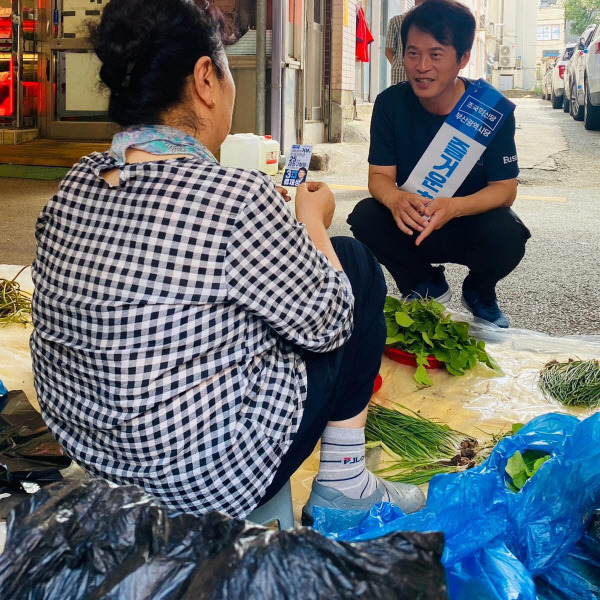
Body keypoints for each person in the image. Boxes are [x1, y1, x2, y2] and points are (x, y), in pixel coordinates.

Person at [30, 0, 424, 522]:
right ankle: (345, 482)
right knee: (352, 265)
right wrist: (310, 221)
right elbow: (331, 323)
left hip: (96, 459)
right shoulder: (234, 197)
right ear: (205, 80)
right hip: (206, 480)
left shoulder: (76, 183)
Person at [349, 0, 530, 328]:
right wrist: (395, 198)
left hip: (468, 221)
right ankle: (423, 283)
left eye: (435, 54)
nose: (421, 66)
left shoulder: (489, 109)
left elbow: (505, 190)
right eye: (413, 53)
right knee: (365, 216)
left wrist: (455, 207)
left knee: (509, 233)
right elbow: (379, 177)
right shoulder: (390, 104)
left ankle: (479, 290)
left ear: (462, 58)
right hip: (415, 222)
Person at [385, 0, 426, 86]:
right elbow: (388, 51)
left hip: (400, 71)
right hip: (400, 73)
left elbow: (388, 51)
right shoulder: (396, 21)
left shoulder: (396, 20)